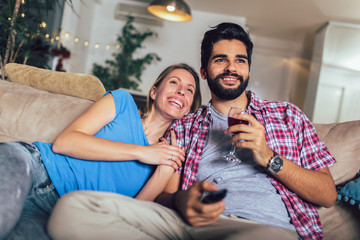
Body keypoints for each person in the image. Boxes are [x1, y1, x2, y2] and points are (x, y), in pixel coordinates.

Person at [47, 23, 337, 240]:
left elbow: (327, 194)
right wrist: (184, 201)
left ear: (248, 71)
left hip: (260, 227)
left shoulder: (288, 116)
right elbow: (165, 195)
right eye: (220, 59)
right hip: (187, 226)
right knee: (73, 208)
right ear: (204, 70)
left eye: (240, 60)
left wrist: (268, 157)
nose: (231, 67)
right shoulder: (184, 125)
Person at [0, 63, 202, 240]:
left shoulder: (167, 158)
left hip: (59, 211)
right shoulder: (122, 103)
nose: (181, 91)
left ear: (189, 108)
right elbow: (64, 143)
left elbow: (127, 215)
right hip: (33, 164)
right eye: (174, 82)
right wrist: (142, 152)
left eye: (189, 90)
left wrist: (162, 172)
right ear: (154, 92)